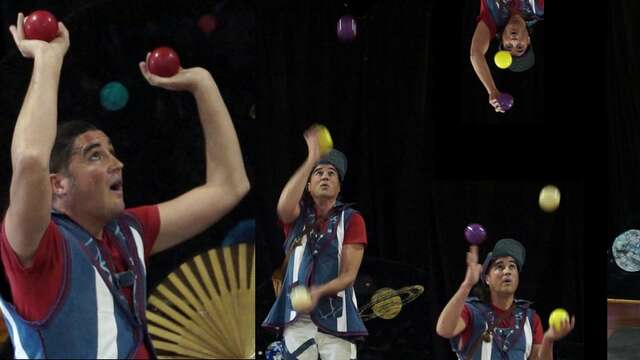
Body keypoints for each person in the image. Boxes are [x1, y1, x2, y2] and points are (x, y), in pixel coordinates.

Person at [0, 13, 249, 358]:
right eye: (94, 156)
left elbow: (229, 186)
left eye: (112, 152)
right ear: (57, 184)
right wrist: (48, 57)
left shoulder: (127, 232)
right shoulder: (38, 246)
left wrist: (202, 84)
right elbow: (30, 161)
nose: (117, 164)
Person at [263, 125, 367, 360]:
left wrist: (317, 292)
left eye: (332, 174)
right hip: (296, 319)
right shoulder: (298, 218)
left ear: (339, 187)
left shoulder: (352, 219)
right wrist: (311, 159)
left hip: (337, 317)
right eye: (319, 173)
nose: (325, 176)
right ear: (308, 186)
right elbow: (283, 206)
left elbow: (348, 275)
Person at [436, 238, 574, 359]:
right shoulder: (470, 311)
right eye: (499, 266)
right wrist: (467, 285)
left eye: (512, 266)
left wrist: (548, 339)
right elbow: (444, 330)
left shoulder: (531, 319)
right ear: (487, 278)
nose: (507, 271)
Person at [470, 0, 544, 112]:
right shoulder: (538, 8)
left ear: (502, 39)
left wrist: (492, 91)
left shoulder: (492, 19)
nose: (514, 42)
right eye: (520, 47)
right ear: (528, 40)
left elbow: (476, 53)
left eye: (508, 46)